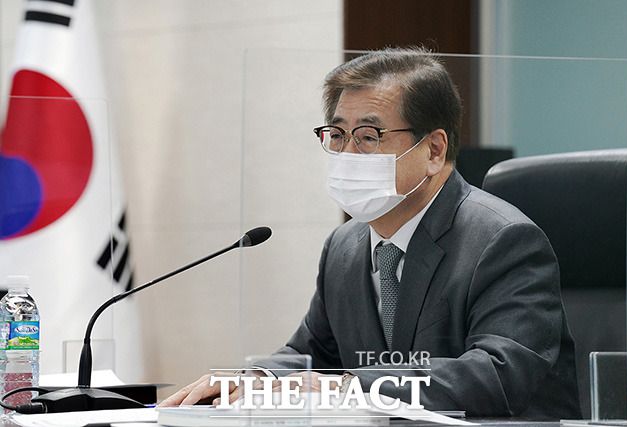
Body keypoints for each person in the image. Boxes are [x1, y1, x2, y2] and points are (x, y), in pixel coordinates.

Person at [160, 47, 581, 418]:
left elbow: (498, 374)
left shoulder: (502, 240)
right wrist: (253, 379)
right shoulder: (344, 246)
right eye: (337, 135)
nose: (346, 153)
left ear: (434, 150)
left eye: (368, 136)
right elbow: (312, 354)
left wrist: (348, 387)